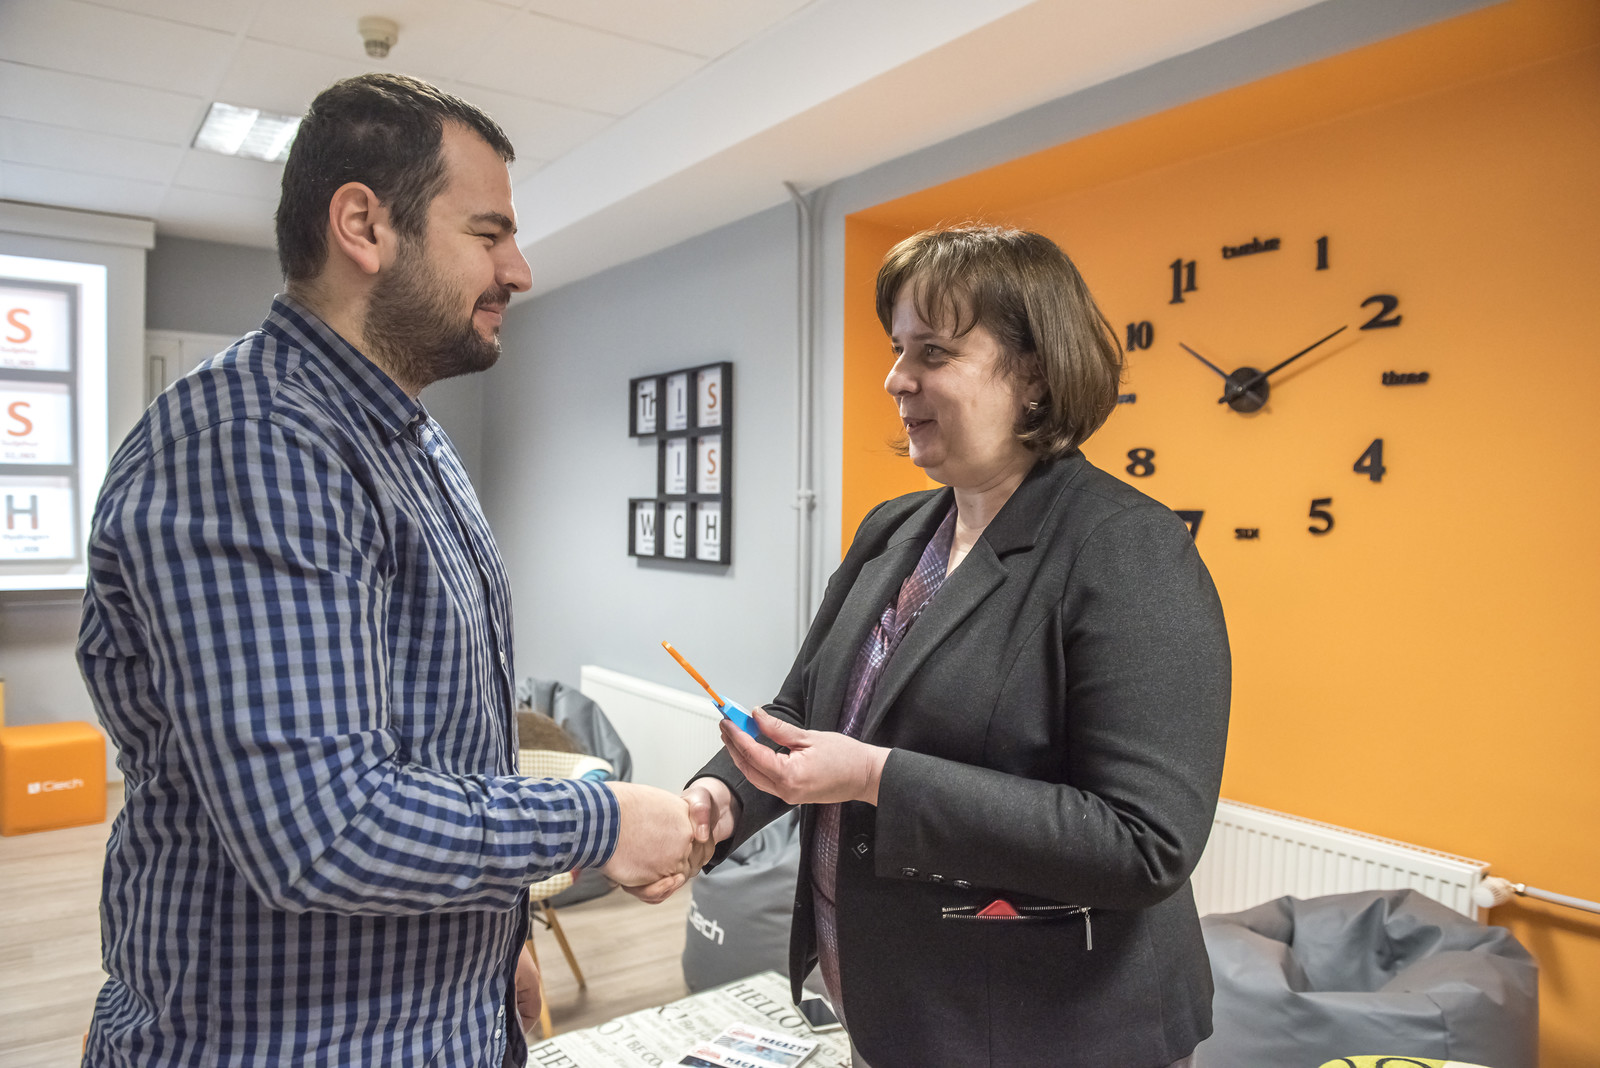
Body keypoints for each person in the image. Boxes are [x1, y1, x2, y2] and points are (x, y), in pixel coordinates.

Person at [77, 73, 708, 1068]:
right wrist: (601, 821)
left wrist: (491, 947)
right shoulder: (254, 442)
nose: (519, 270)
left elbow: (433, 747)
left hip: (435, 1018)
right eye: (488, 234)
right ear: (364, 226)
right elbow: (320, 828)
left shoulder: (412, 441)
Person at [685, 226, 1231, 1067]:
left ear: (1035, 375)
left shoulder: (1126, 548)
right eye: (898, 349)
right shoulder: (892, 529)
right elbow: (805, 709)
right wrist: (719, 800)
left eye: (933, 352)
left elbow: (1141, 842)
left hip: (1051, 1032)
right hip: (895, 1010)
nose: (896, 379)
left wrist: (876, 778)